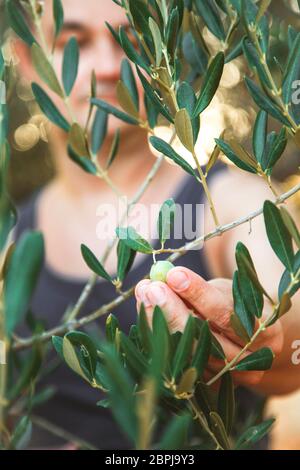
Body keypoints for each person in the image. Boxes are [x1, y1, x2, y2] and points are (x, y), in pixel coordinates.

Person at [14, 0, 300, 450]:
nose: (108, 67)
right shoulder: (11, 240)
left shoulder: (228, 201)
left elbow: (290, 329)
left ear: (161, 56)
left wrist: (261, 327)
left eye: (129, 41)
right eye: (75, 42)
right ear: (30, 60)